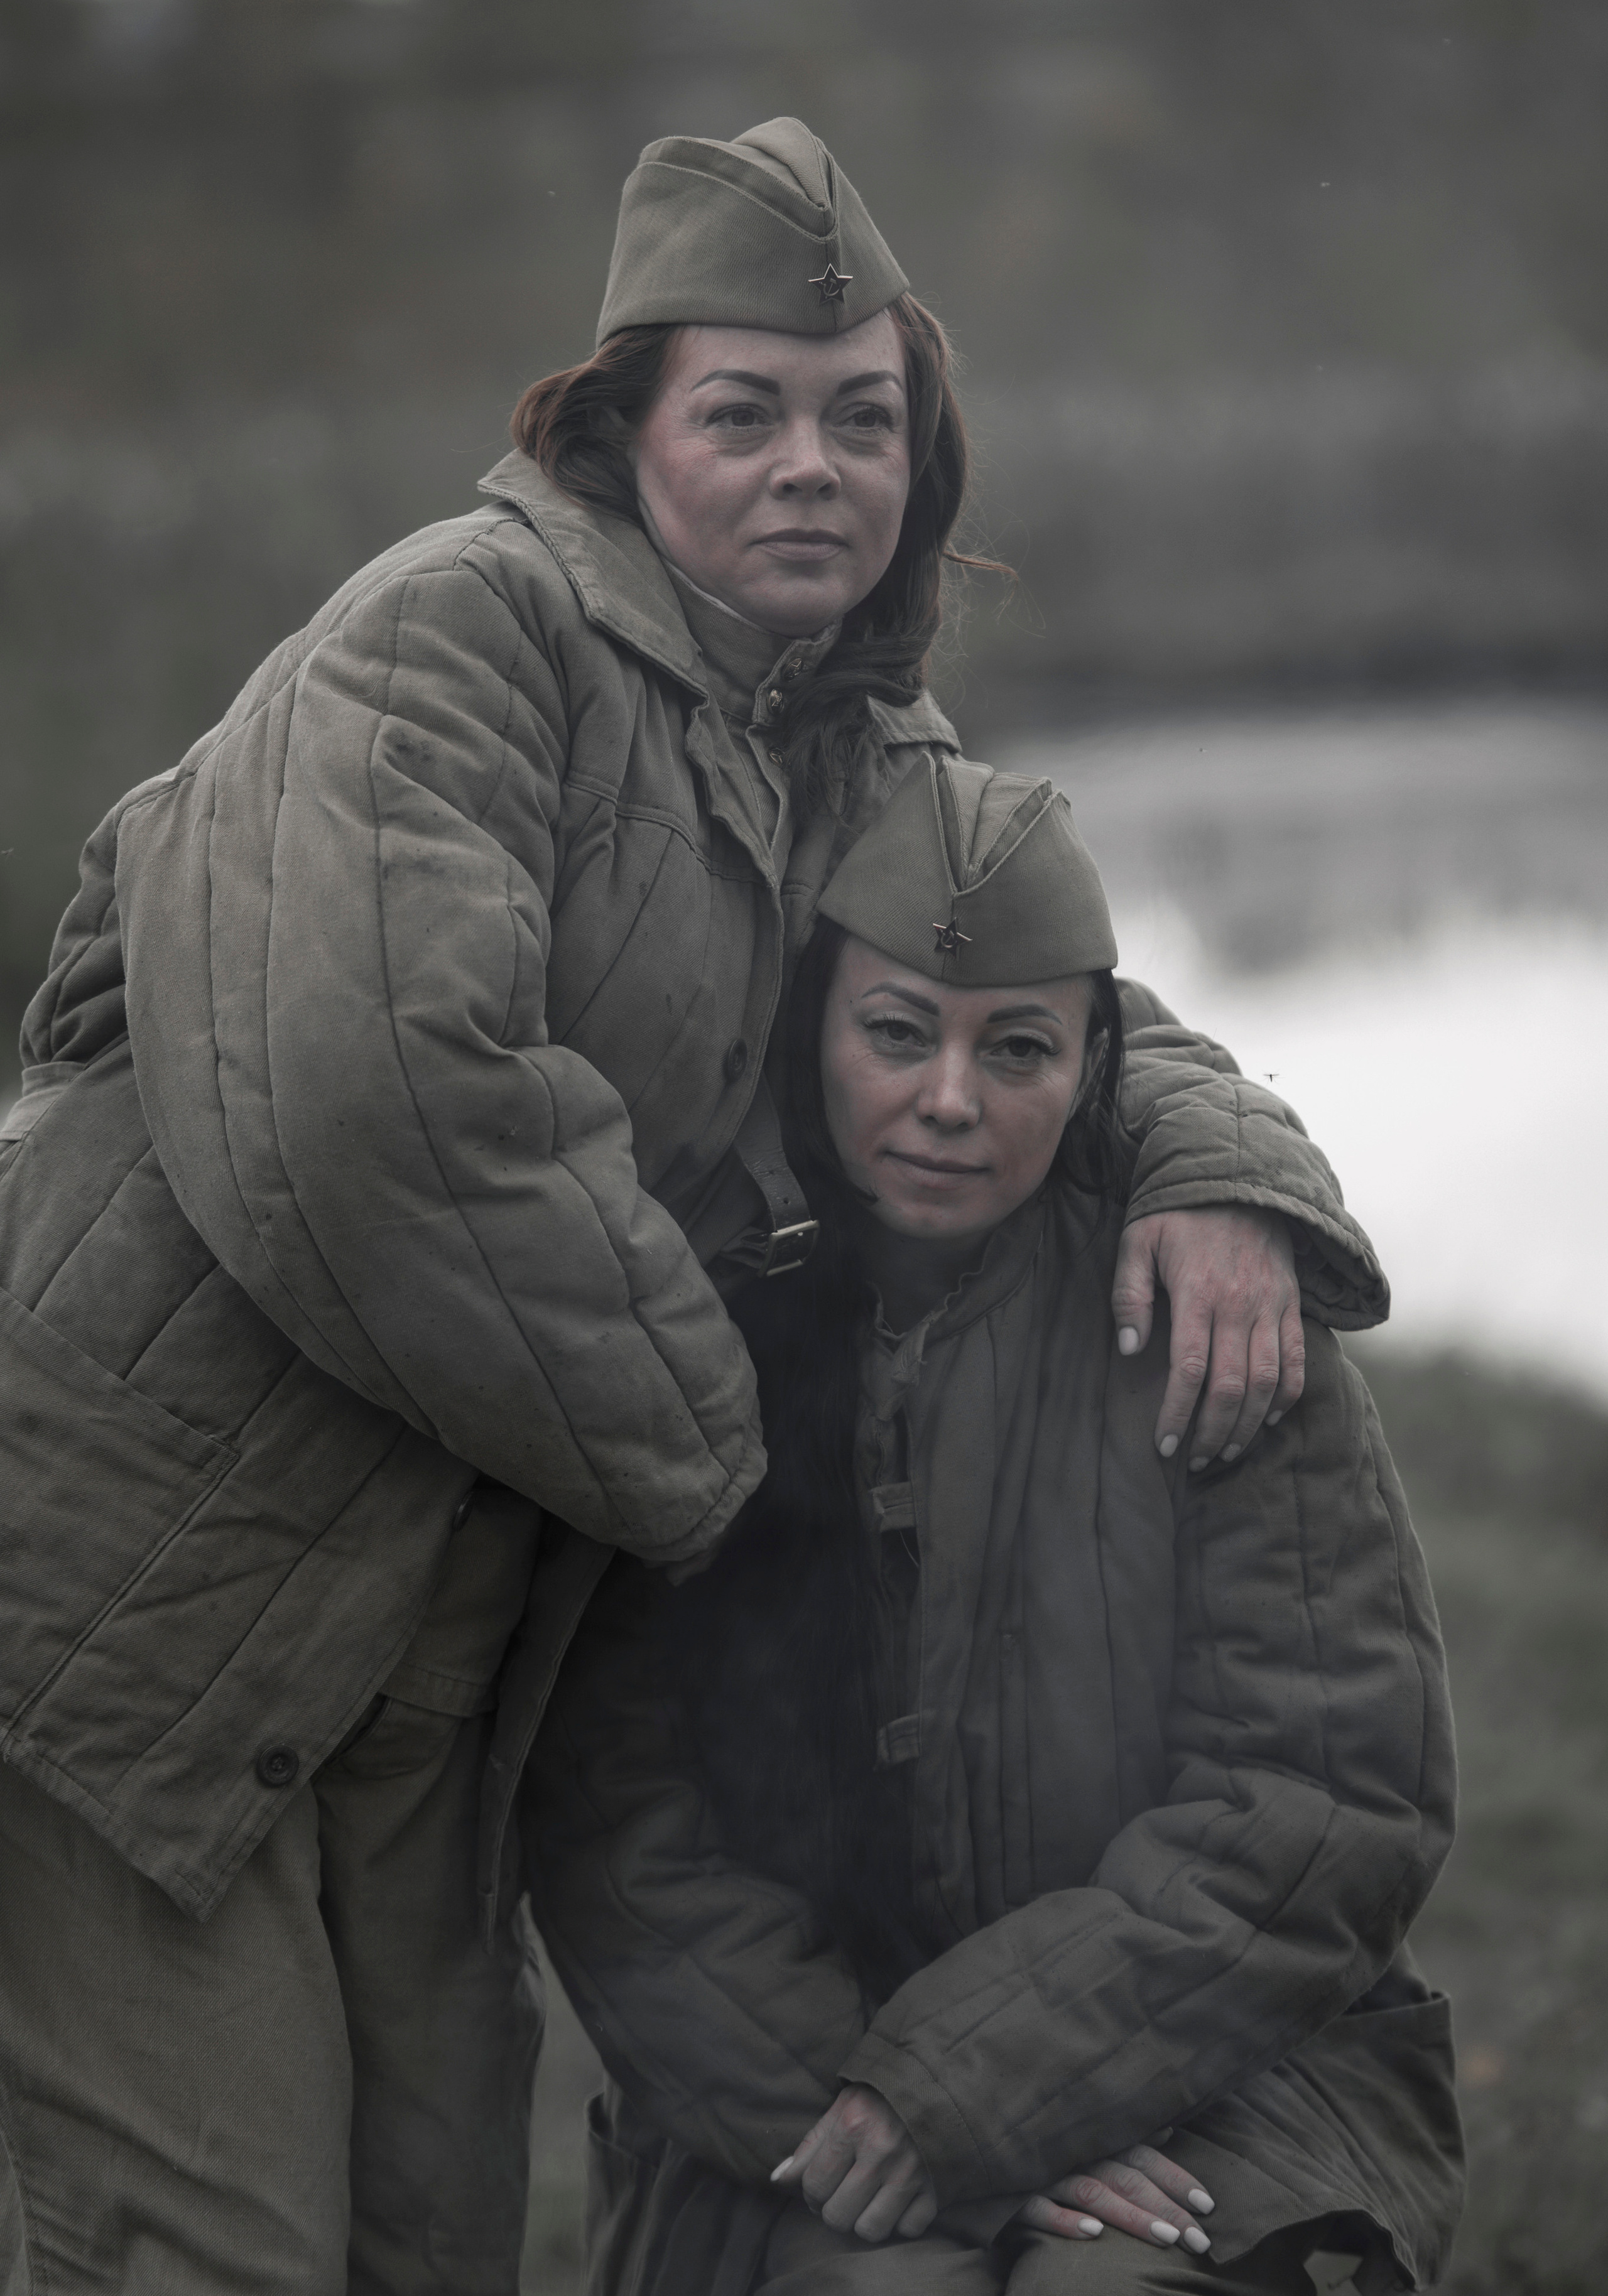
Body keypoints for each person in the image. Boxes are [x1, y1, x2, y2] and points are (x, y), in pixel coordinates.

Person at [0, 125, 1384, 2295]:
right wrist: (724, 1470)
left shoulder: (846, 734)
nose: (811, 465)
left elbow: (1044, 987)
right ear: (617, 425)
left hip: (443, 1623)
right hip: (148, 1588)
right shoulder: (454, 634)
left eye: (866, 417)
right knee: (205, 2241)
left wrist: (1225, 1175)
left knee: (419, 2233)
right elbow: (386, 1091)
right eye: (743, 410)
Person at [523, 754, 1462, 2296]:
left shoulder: (1213, 1316)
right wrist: (884, 2106)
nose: (948, 1102)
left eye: (1014, 1048)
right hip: (796, 2095)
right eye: (896, 1035)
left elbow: (1324, 1799)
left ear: (1094, 1066)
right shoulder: (679, 1320)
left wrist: (989, 2092)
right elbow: (613, 1818)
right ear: (811, 1029)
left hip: (1227, 2078)